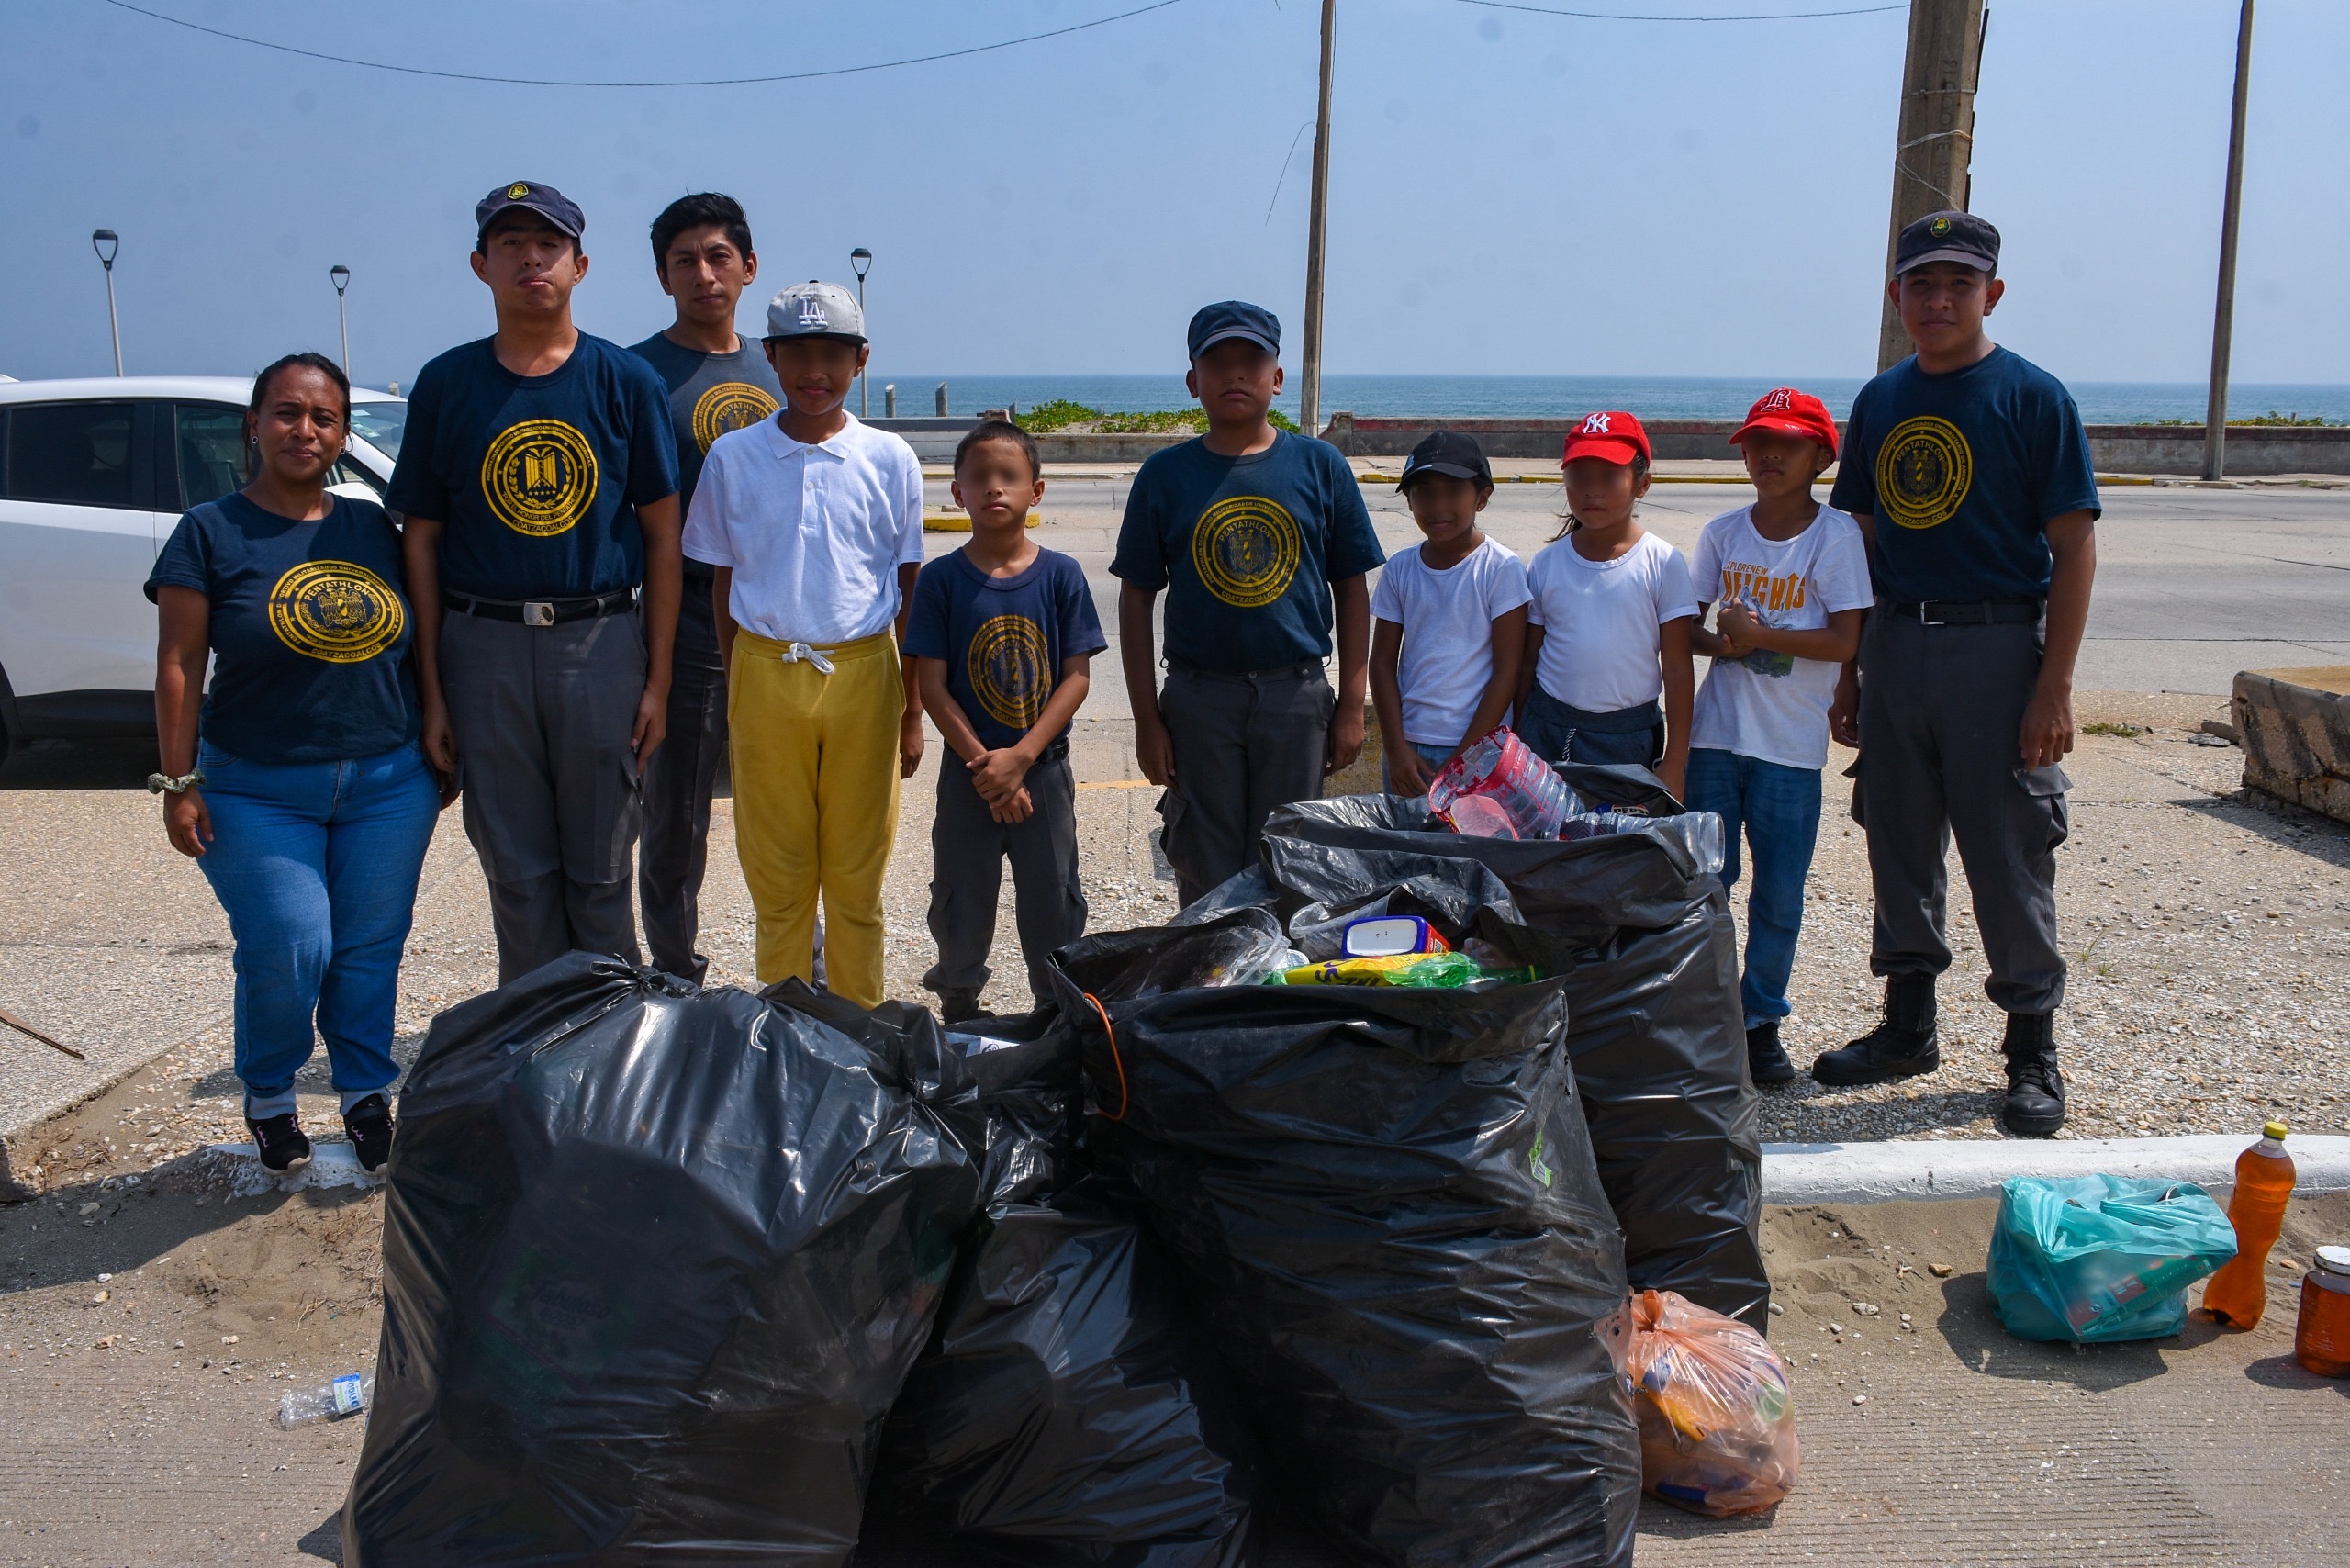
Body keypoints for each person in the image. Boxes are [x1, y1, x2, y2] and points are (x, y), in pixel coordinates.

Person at [1816, 210, 2099, 1137]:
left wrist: (2052, 686)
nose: (1938, 300)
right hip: (1897, 642)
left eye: (1958, 285)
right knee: (1896, 841)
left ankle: (2030, 1048)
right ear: (1895, 297)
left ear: (1992, 294)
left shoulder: (2032, 397)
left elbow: (2073, 547)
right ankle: (1908, 1026)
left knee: (2006, 848)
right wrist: (1851, 670)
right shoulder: (1881, 401)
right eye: (1921, 285)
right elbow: (1856, 538)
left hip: (1994, 646)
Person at [149, 353, 442, 1174]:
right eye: (285, 413)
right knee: (291, 945)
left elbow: (422, 639)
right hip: (256, 788)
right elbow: (178, 664)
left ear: (344, 435)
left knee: (370, 946)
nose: (303, 430)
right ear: (252, 424)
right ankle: (272, 1093)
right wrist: (178, 783)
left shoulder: (372, 529)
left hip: (387, 781)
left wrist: (435, 733)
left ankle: (363, 1091)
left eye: (323, 418)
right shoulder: (209, 530)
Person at [388, 181, 683, 985]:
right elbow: (421, 538)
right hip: (482, 644)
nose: (530, 258)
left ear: (580, 265)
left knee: (600, 868)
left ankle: (612, 1049)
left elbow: (663, 535)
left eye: (547, 244)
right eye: (511, 243)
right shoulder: (447, 384)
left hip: (599, 643)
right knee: (515, 872)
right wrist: (435, 691)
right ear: (480, 264)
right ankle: (531, 1053)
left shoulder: (625, 383)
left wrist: (655, 678)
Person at [684, 280, 924, 1008]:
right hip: (765, 667)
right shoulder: (733, 457)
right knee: (779, 871)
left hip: (863, 671)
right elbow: (721, 582)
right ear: (771, 356)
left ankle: (861, 1029)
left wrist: (911, 709)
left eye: (834, 355)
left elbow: (910, 587)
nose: (814, 372)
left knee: (856, 874)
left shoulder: (890, 458)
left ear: (861, 361)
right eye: (798, 355)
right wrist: (740, 677)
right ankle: (786, 1026)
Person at [1113, 301, 1385, 907]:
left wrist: (1350, 704)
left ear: (1277, 378)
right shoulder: (1164, 475)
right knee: (1204, 867)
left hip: (1296, 697)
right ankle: (1207, 992)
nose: (1236, 375)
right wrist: (1145, 717)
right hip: (1199, 700)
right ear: (1193, 383)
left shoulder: (1320, 466)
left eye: (1251, 362)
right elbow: (1136, 597)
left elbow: (1352, 586)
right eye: (1218, 364)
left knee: (1292, 865)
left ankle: (1279, 994)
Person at [1684, 388, 1873, 1085]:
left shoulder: (1835, 538)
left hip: (1790, 749)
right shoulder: (1725, 532)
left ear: (1822, 456)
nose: (1768, 456)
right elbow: (1689, 623)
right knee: (1708, 883)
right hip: (1715, 738)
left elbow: (1844, 637)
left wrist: (1761, 636)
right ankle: (1704, 1013)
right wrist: (1720, 647)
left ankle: (1760, 1019)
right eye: (1758, 443)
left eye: (1788, 444)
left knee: (1779, 895)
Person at [627, 192, 783, 983]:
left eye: (718, 256)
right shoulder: (635, 372)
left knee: (787, 800)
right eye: (684, 260)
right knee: (677, 810)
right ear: (663, 277)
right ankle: (675, 966)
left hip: (781, 615)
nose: (703, 273)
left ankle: (797, 965)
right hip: (684, 614)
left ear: (748, 268)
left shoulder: (783, 367)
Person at [907, 420, 1105, 1020]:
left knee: (1053, 899)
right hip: (968, 771)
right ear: (957, 492)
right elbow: (931, 684)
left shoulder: (1062, 575)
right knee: (961, 897)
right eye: (980, 477)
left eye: (1010, 477)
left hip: (1042, 773)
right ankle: (961, 1002)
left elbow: (1077, 677)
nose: (995, 488)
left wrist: (1019, 761)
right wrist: (985, 767)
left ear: (1036, 491)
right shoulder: (941, 579)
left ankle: (1055, 1009)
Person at [1516, 411, 1697, 801]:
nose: (1590, 490)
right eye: (1579, 476)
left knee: (1611, 852)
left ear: (1643, 484)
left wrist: (1676, 761)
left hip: (1627, 740)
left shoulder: (1663, 562)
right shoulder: (1547, 563)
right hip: (1545, 728)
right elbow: (1528, 658)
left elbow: (1679, 667)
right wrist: (1516, 736)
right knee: (1545, 844)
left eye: (1608, 476)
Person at [1367, 431, 1531, 797]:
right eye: (1424, 493)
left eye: (1454, 491)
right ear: (1409, 502)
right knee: (1405, 849)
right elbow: (1381, 664)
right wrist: (1395, 749)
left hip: (1479, 749)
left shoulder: (1501, 568)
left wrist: (1464, 760)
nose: (1438, 506)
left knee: (1469, 851)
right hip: (1408, 746)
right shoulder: (1400, 568)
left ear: (1482, 498)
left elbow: (1508, 671)